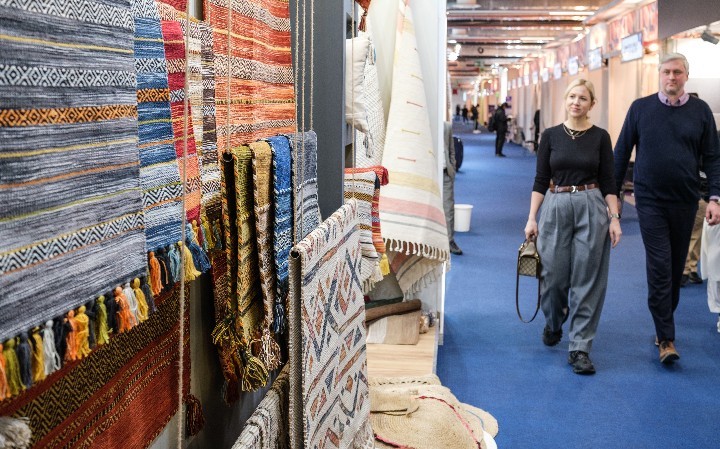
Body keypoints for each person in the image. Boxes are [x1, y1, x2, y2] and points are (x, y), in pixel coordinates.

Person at [613, 52, 720, 364]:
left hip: (686, 200)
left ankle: (662, 324)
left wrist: (715, 197)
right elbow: (621, 153)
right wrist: (614, 196)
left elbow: (713, 157)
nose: (671, 77)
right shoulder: (641, 108)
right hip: (649, 200)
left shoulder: (700, 111)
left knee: (674, 269)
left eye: (677, 72)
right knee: (660, 265)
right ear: (658, 75)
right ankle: (667, 339)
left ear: (686, 76)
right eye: (666, 72)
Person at [525, 79, 621, 375]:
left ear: (592, 104)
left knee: (588, 279)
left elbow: (609, 180)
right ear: (565, 101)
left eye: (583, 98)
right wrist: (531, 218)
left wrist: (614, 217)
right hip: (555, 204)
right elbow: (541, 179)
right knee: (552, 277)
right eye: (572, 96)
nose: (576, 102)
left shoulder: (601, 137)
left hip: (592, 205)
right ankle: (555, 320)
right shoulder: (551, 136)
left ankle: (580, 347)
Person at [443, 122, 462, 255]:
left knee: (448, 207)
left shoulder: (446, 127)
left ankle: (450, 240)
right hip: (429, 172)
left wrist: (452, 169)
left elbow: (451, 150)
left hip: (445, 173)